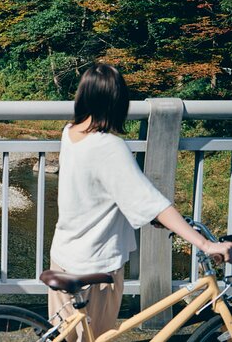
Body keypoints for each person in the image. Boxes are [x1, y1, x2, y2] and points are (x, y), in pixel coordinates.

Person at [47, 63, 232, 341]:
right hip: (95, 266)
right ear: (118, 102)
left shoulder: (70, 132)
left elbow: (105, 191)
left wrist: (151, 216)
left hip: (64, 255)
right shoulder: (108, 147)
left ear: (83, 96)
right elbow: (153, 203)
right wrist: (205, 244)